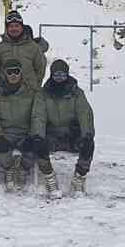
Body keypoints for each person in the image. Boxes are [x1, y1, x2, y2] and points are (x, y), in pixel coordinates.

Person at [31, 59, 95, 198]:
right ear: (51, 75)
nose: (59, 78)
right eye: (56, 75)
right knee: (38, 143)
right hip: (52, 133)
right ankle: (49, 176)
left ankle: (79, 176)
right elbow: (39, 116)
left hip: (72, 133)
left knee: (88, 144)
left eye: (62, 75)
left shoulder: (76, 93)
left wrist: (87, 133)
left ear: (67, 75)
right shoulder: (43, 94)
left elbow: (85, 114)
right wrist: (38, 134)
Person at [0, 59, 36, 192]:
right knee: (2, 151)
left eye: (16, 71)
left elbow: (37, 116)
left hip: (25, 133)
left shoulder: (31, 94)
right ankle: (9, 169)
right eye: (10, 72)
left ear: (21, 73)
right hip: (5, 133)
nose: (13, 75)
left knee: (33, 149)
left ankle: (23, 169)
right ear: (5, 74)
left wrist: (32, 134)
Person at [0, 10, 47, 91]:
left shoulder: (34, 47)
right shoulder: (0, 48)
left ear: (22, 27)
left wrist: (34, 85)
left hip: (29, 93)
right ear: (7, 28)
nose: (14, 29)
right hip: (5, 94)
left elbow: (40, 70)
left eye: (17, 26)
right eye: (11, 26)